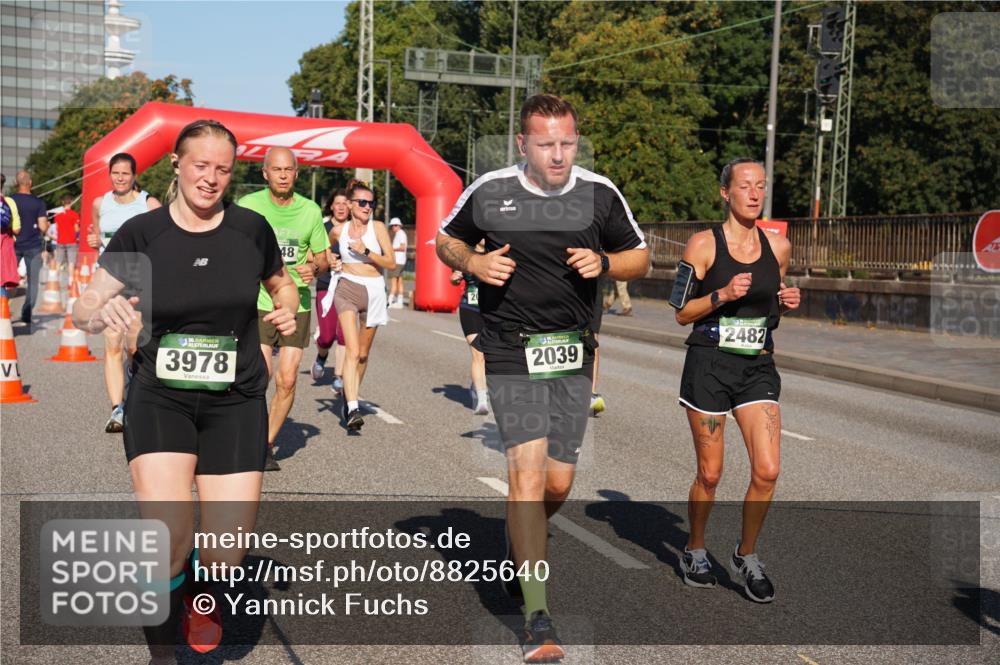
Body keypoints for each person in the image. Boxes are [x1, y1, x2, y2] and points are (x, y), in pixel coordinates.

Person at [73, 119, 298, 664]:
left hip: (237, 399)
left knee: (225, 553)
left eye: (223, 169)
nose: (211, 178)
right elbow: (82, 307)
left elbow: (280, 282)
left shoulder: (251, 229)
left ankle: (203, 588)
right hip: (160, 398)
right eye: (201, 165)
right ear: (176, 163)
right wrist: (102, 310)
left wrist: (288, 306)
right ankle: (163, 656)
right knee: (167, 539)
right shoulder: (142, 235)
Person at [436, 94, 649, 662]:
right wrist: (475, 264)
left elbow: (640, 258)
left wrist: (605, 264)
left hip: (571, 352)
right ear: (523, 144)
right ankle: (537, 616)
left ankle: (518, 536)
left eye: (568, 142)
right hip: (510, 348)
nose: (558, 155)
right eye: (547, 143)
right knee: (526, 477)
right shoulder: (492, 190)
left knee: (557, 484)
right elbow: (445, 239)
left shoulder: (600, 193)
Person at [673, 157, 801, 603]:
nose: (754, 193)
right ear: (725, 192)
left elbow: (771, 305)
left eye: (760, 186)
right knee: (710, 474)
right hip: (709, 364)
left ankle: (746, 555)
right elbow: (681, 313)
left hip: (757, 366)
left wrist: (786, 302)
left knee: (767, 470)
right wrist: (721, 294)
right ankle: (694, 549)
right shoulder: (703, 246)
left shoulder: (778, 247)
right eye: (745, 185)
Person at [238, 147, 329, 471]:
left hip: (298, 304)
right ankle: (246, 433)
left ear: (296, 173)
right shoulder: (248, 207)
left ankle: (265, 444)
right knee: (260, 376)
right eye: (275, 169)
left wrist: (314, 269)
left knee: (288, 380)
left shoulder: (310, 211)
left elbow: (322, 257)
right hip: (259, 301)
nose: (282, 174)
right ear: (265, 173)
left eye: (288, 169)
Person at [90, 153, 162, 433]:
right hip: (111, 282)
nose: (120, 178)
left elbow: (163, 240)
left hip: (141, 282)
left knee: (134, 347)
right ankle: (117, 409)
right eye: (115, 173)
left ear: (134, 176)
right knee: (112, 345)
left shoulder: (149, 203)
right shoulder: (101, 203)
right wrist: (94, 240)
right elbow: (98, 238)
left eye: (125, 174)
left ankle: (135, 396)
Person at [319, 179, 395, 431]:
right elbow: (326, 250)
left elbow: (391, 264)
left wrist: (367, 252)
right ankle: (352, 407)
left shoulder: (379, 228)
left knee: (362, 354)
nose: (367, 207)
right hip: (347, 288)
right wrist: (332, 262)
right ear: (351, 205)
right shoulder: (337, 231)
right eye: (362, 202)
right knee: (351, 350)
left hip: (374, 291)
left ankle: (349, 395)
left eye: (371, 203)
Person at [312, 189, 349, 390]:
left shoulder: (355, 229)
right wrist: (327, 259)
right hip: (326, 284)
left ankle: (339, 377)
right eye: (338, 203)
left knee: (344, 335)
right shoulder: (323, 228)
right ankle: (321, 356)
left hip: (348, 286)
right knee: (326, 337)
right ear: (331, 206)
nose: (342, 207)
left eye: (345, 203)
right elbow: (312, 254)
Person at [449, 240, 488, 415]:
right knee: (478, 353)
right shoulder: (465, 254)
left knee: (491, 354)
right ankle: (482, 400)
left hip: (493, 310)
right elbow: (454, 278)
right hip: (470, 308)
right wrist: (455, 278)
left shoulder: (497, 252)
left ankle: (477, 384)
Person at [10, 170, 50, 331]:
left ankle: (2, 311)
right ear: (30, 183)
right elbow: (42, 227)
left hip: (12, 246)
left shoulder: (9, 200)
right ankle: (26, 314)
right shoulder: (38, 203)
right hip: (33, 246)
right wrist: (45, 226)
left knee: (5, 279)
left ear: (17, 183)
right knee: (33, 282)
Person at [52, 193, 80, 275]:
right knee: (71, 263)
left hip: (60, 240)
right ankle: (71, 282)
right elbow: (76, 229)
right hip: (71, 241)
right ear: (71, 202)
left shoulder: (57, 214)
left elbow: (57, 228)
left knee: (58, 262)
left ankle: (55, 281)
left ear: (62, 202)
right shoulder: (75, 214)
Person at [387, 217, 407, 308]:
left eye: (394, 226)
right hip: (401, 260)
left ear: (398, 226)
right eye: (392, 226)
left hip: (398, 261)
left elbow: (402, 247)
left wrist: (392, 249)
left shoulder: (400, 234)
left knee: (394, 281)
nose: (392, 228)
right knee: (399, 281)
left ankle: (390, 301)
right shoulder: (400, 234)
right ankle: (400, 301)